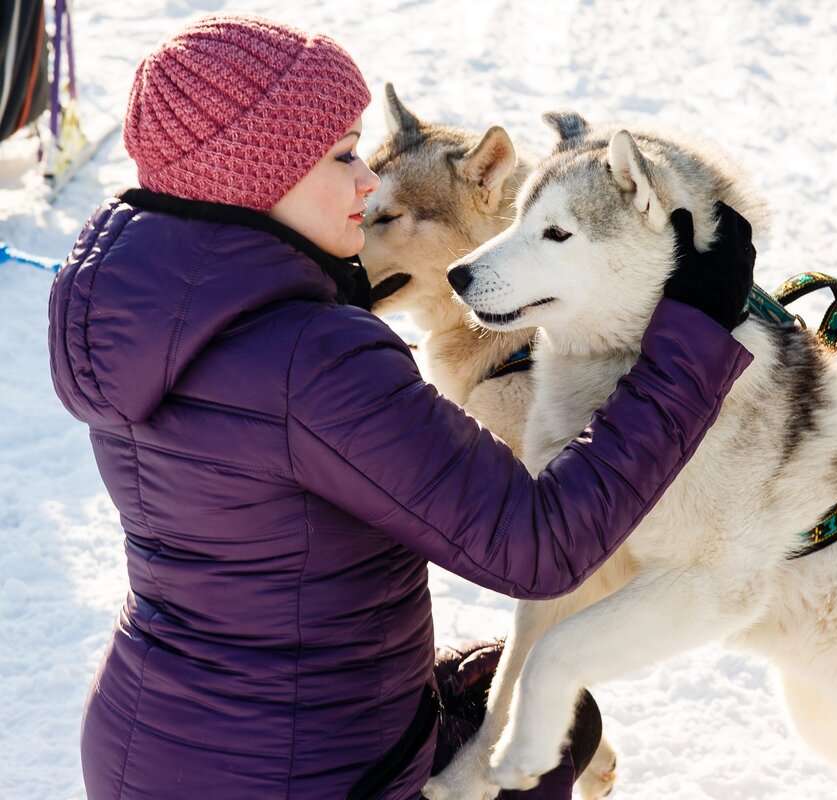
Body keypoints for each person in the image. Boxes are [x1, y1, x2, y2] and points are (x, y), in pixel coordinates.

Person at [47, 14, 756, 800]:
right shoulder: (312, 358)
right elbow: (537, 546)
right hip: (303, 780)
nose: (367, 183)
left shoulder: (134, 310)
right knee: (553, 726)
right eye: (344, 155)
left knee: (494, 677)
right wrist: (689, 339)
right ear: (260, 175)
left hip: (144, 749)